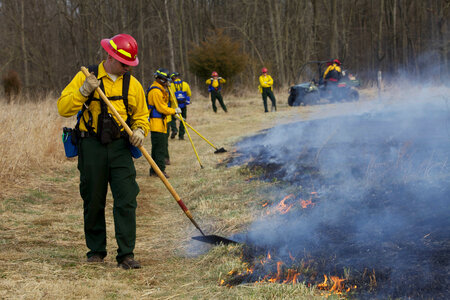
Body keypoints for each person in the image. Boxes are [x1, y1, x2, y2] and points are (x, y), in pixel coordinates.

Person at [57, 33, 149, 270]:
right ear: (110, 56)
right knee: (93, 198)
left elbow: (142, 116)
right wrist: (84, 91)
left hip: (120, 148)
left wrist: (140, 130)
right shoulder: (86, 75)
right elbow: (63, 108)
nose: (127, 68)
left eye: (130, 65)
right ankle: (96, 251)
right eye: (123, 63)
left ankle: (126, 254)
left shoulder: (133, 85)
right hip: (91, 146)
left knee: (127, 199)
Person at [146, 68, 182, 178]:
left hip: (161, 123)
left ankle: (154, 171)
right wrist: (174, 110)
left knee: (157, 149)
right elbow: (162, 108)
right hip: (157, 125)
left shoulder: (161, 89)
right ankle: (160, 170)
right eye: (166, 80)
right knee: (160, 149)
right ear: (161, 80)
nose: (168, 83)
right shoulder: (155, 91)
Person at [168, 72, 191, 140]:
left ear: (172, 78)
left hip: (174, 106)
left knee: (172, 119)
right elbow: (189, 94)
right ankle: (181, 136)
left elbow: (169, 96)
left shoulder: (170, 86)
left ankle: (174, 129)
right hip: (183, 105)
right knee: (183, 120)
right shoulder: (185, 84)